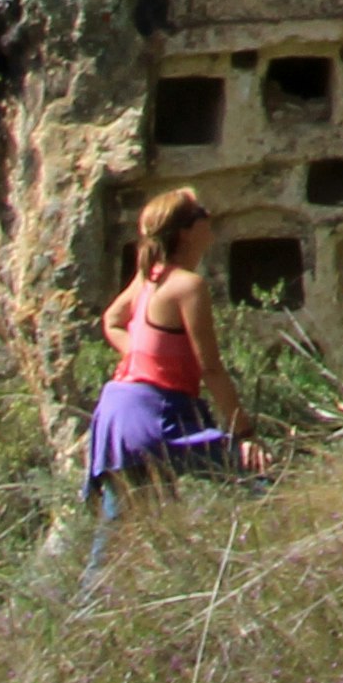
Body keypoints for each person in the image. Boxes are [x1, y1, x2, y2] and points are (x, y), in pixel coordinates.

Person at [84, 188, 270, 506]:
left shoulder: (149, 278)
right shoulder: (187, 286)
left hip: (117, 415)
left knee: (133, 523)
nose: (209, 217)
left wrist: (144, 358)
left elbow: (112, 321)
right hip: (155, 415)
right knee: (263, 474)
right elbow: (210, 369)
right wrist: (245, 434)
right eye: (202, 214)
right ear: (185, 232)